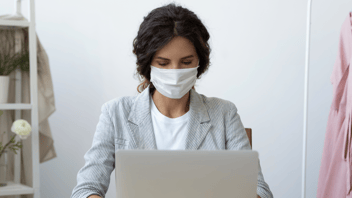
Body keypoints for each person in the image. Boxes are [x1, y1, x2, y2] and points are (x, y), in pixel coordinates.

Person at [70, 2, 274, 198]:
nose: (175, 72)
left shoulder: (224, 113)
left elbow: (260, 188)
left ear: (199, 63)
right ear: (147, 63)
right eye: (163, 63)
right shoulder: (116, 113)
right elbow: (86, 188)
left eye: (186, 62)